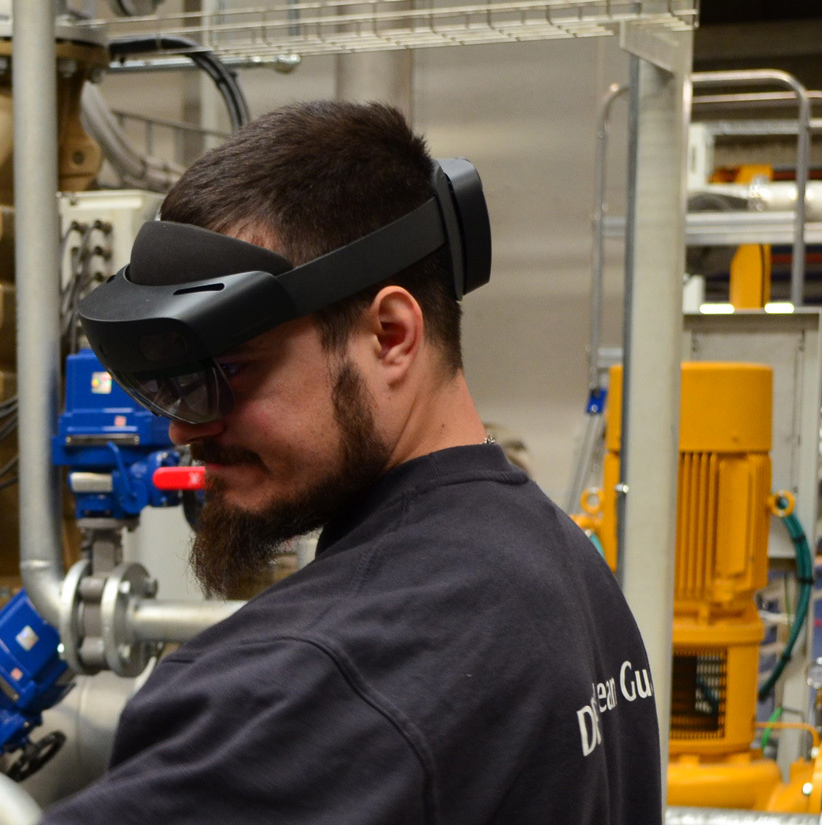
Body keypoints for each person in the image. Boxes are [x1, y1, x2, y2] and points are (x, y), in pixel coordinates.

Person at [55, 100, 663, 823]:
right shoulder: (565, 568)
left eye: (233, 370)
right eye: (176, 388)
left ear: (391, 334)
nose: (188, 430)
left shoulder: (307, 684)